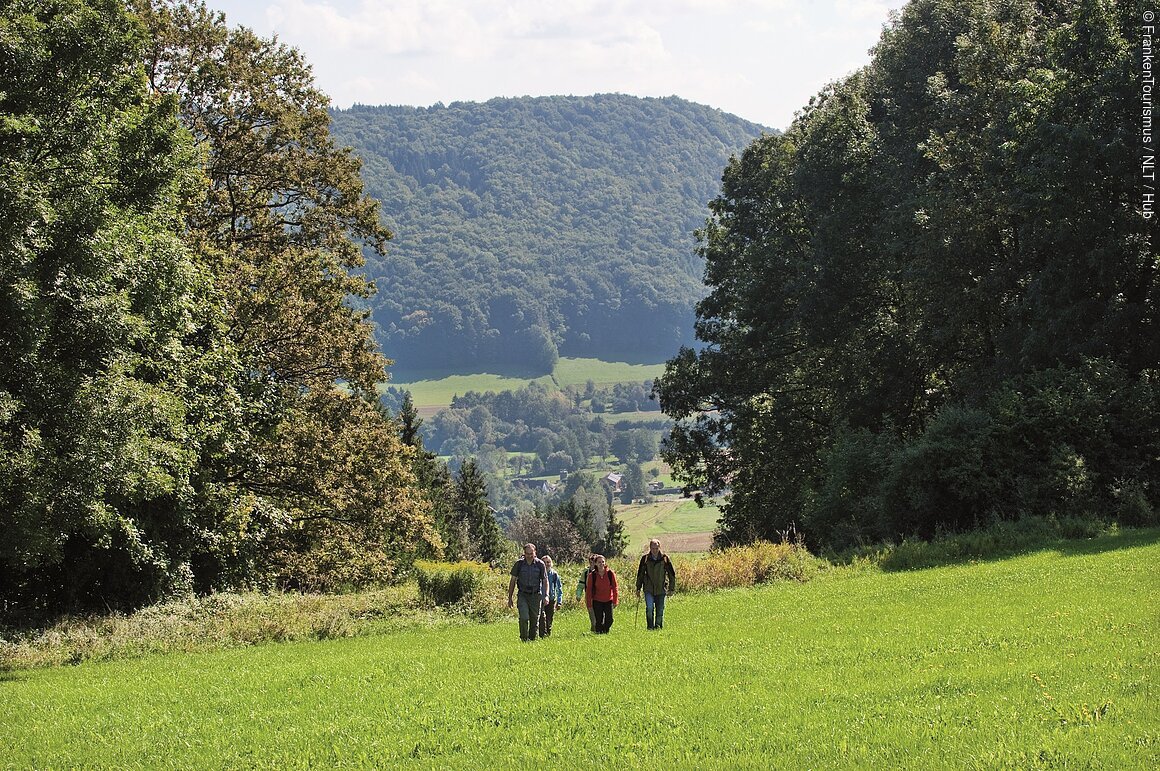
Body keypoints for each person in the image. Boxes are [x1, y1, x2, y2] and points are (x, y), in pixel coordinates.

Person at [507, 543, 549, 641]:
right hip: (523, 595)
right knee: (524, 617)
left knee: (534, 619)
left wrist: (546, 595)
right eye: (527, 553)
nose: (529, 556)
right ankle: (524, 639)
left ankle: (532, 639)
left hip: (536, 595)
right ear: (524, 553)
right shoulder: (519, 564)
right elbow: (512, 581)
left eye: (531, 553)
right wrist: (510, 598)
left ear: (535, 553)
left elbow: (545, 580)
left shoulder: (540, 564)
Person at [635, 538, 677, 630]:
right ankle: (650, 628)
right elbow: (640, 574)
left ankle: (658, 627)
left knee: (660, 610)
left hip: (661, 588)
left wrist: (671, 588)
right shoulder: (645, 559)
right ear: (650, 548)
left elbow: (671, 574)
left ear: (659, 547)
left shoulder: (665, 558)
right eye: (653, 548)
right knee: (649, 609)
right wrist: (638, 588)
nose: (654, 550)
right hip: (648, 588)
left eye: (656, 548)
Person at [585, 554, 618, 633]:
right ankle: (599, 634)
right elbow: (589, 591)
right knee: (598, 620)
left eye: (603, 562)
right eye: (599, 562)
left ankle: (605, 631)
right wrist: (589, 604)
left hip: (608, 600)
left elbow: (615, 588)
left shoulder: (610, 573)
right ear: (595, 563)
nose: (601, 564)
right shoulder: (592, 575)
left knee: (609, 620)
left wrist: (615, 601)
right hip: (597, 601)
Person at [539, 555, 563, 638]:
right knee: (541, 618)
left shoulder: (554, 574)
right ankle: (542, 634)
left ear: (551, 563)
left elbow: (559, 588)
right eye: (544, 562)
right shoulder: (538, 573)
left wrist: (559, 601)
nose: (546, 564)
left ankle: (547, 634)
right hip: (540, 599)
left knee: (549, 619)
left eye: (548, 562)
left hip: (551, 600)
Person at [575, 554, 597, 632]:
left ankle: (598, 631)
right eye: (591, 562)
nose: (592, 564)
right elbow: (581, 585)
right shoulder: (586, 572)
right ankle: (594, 630)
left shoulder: (602, 572)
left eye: (594, 562)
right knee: (592, 616)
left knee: (600, 615)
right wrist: (578, 595)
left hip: (600, 597)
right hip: (589, 597)